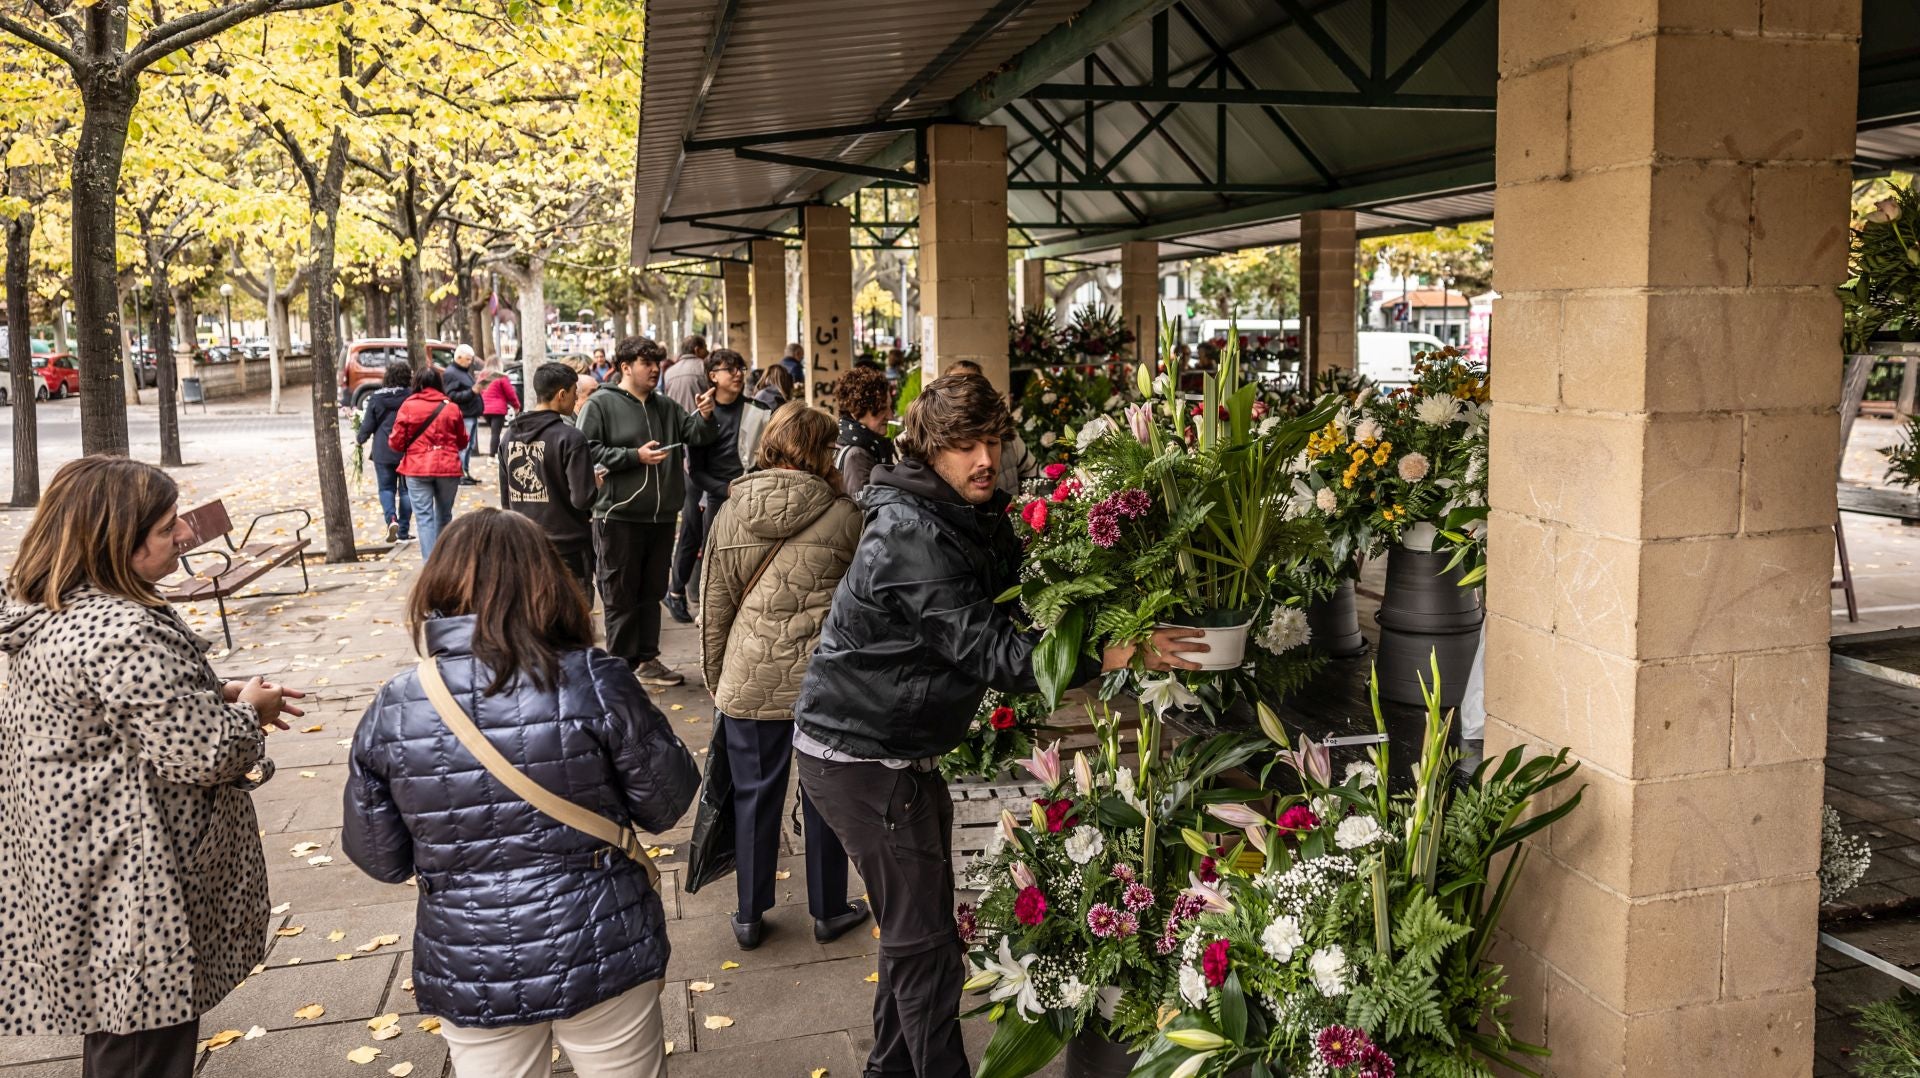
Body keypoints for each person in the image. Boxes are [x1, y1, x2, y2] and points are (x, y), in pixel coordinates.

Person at [792, 375, 1206, 1078]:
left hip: (898, 754)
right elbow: (1000, 653)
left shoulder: (961, 511)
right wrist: (1122, 649)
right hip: (863, 759)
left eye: (993, 441)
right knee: (926, 949)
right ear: (930, 451)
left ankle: (887, 1069)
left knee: (915, 939)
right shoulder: (910, 533)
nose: (985, 458)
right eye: (965, 446)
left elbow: (1027, 588)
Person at [343, 509, 699, 1078]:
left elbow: (379, 858)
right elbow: (667, 803)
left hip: (471, 959)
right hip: (600, 942)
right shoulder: (594, 678)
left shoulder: (398, 704)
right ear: (548, 581)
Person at [0, 457, 302, 1078]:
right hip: (137, 885)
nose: (185, 536)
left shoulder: (59, 611)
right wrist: (248, 710)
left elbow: (115, 714)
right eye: (168, 529)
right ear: (119, 542)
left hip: (82, 864)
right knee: (142, 1041)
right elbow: (204, 752)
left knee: (118, 1027)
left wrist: (207, 693)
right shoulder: (122, 630)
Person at [699, 404, 867, 950]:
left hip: (748, 677)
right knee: (824, 793)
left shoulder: (731, 511)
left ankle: (749, 916)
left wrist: (718, 679)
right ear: (823, 452)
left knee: (752, 795)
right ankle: (828, 909)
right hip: (824, 683)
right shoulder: (845, 515)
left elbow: (716, 604)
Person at [578, 336, 717, 687]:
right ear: (626, 367)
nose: (655, 369)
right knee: (619, 593)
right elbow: (586, 452)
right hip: (617, 515)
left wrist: (704, 415)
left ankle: (647, 659)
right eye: (647, 363)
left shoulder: (666, 406)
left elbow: (695, 435)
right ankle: (621, 668)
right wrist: (632, 457)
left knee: (651, 591)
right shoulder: (600, 405)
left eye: (657, 363)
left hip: (661, 517)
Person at [664, 348, 770, 624]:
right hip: (720, 502)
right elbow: (696, 472)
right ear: (713, 376)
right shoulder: (702, 419)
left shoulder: (757, 411)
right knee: (718, 568)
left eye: (740, 369)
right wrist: (726, 490)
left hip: (757, 498)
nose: (737, 374)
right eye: (730, 369)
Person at [500, 361, 597, 599]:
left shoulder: (508, 436)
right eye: (574, 393)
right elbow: (583, 499)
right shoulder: (571, 438)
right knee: (572, 621)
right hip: (568, 547)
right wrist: (593, 482)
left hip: (524, 544)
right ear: (561, 395)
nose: (576, 400)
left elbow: (506, 500)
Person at [390, 364, 471, 561]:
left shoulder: (408, 406)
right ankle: (443, 564)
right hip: (447, 468)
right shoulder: (451, 407)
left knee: (424, 519)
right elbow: (462, 441)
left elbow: (396, 442)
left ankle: (430, 567)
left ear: (416, 383)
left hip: (417, 469)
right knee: (444, 516)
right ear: (438, 382)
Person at [945, 360, 1040, 497]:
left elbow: (1033, 474)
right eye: (966, 447)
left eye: (992, 443)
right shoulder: (934, 439)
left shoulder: (1009, 437)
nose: (986, 461)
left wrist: (1026, 509)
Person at [356, 360, 416, 542]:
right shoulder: (412, 396)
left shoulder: (376, 398)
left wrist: (360, 440)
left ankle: (391, 519)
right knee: (406, 491)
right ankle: (403, 531)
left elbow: (367, 426)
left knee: (386, 488)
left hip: (383, 450)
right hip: (407, 449)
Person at [832, 364, 895, 501]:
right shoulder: (857, 455)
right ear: (856, 411)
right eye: (882, 409)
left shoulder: (847, 439)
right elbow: (865, 510)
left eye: (890, 407)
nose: (890, 416)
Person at [444, 344, 485, 485]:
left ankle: (464, 471)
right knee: (464, 446)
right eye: (468, 359)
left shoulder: (462, 372)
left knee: (469, 445)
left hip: (470, 414)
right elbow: (451, 396)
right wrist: (472, 392)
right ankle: (460, 474)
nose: (470, 362)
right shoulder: (451, 373)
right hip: (463, 415)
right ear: (459, 357)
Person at [480, 366, 522, 456]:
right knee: (496, 433)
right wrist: (516, 405)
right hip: (498, 410)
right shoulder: (501, 376)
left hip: (485, 409)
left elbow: (480, 390)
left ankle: (494, 453)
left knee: (494, 433)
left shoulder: (483, 375)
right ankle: (493, 455)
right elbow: (510, 393)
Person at [662, 333, 709, 413]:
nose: (707, 352)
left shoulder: (669, 372)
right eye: (705, 348)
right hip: (698, 421)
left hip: (676, 422)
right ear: (697, 350)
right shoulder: (704, 367)